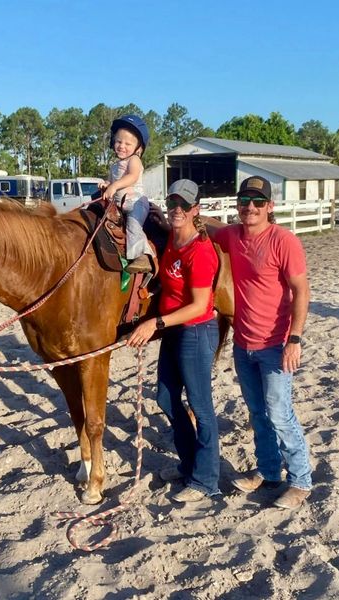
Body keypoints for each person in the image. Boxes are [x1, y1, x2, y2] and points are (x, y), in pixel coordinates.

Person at [208, 175, 312, 510]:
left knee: (280, 414)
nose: (249, 207)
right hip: (244, 344)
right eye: (244, 201)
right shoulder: (233, 235)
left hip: (275, 344)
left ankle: (300, 480)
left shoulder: (284, 241)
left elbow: (301, 291)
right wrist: (165, 214)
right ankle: (269, 472)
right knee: (257, 413)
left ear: (270, 206)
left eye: (257, 201)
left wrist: (294, 339)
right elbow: (207, 227)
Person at [127, 179, 221, 503]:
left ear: (196, 209)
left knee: (201, 407)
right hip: (173, 331)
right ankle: (189, 463)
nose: (176, 210)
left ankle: (206, 480)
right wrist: (149, 293)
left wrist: (155, 322)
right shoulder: (173, 243)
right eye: (172, 203)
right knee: (166, 398)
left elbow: (198, 304)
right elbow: (170, 284)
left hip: (195, 331)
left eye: (184, 204)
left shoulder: (200, 250)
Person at [100, 114, 154, 273]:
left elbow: (132, 176)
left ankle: (142, 256)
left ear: (138, 148)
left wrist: (114, 186)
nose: (122, 146)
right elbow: (112, 182)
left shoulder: (134, 160)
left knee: (133, 225)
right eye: (118, 141)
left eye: (128, 143)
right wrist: (107, 185)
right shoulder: (114, 166)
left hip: (135, 202)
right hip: (118, 205)